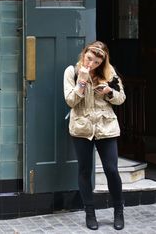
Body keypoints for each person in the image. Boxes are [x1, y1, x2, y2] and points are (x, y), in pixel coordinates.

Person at [63, 41, 126, 230]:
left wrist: (108, 92)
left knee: (112, 170)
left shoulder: (109, 73)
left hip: (106, 127)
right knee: (84, 170)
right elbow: (70, 101)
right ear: (84, 54)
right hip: (82, 128)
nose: (92, 64)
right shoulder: (71, 72)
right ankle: (90, 213)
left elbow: (121, 98)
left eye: (97, 62)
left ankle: (118, 211)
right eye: (89, 58)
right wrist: (81, 81)